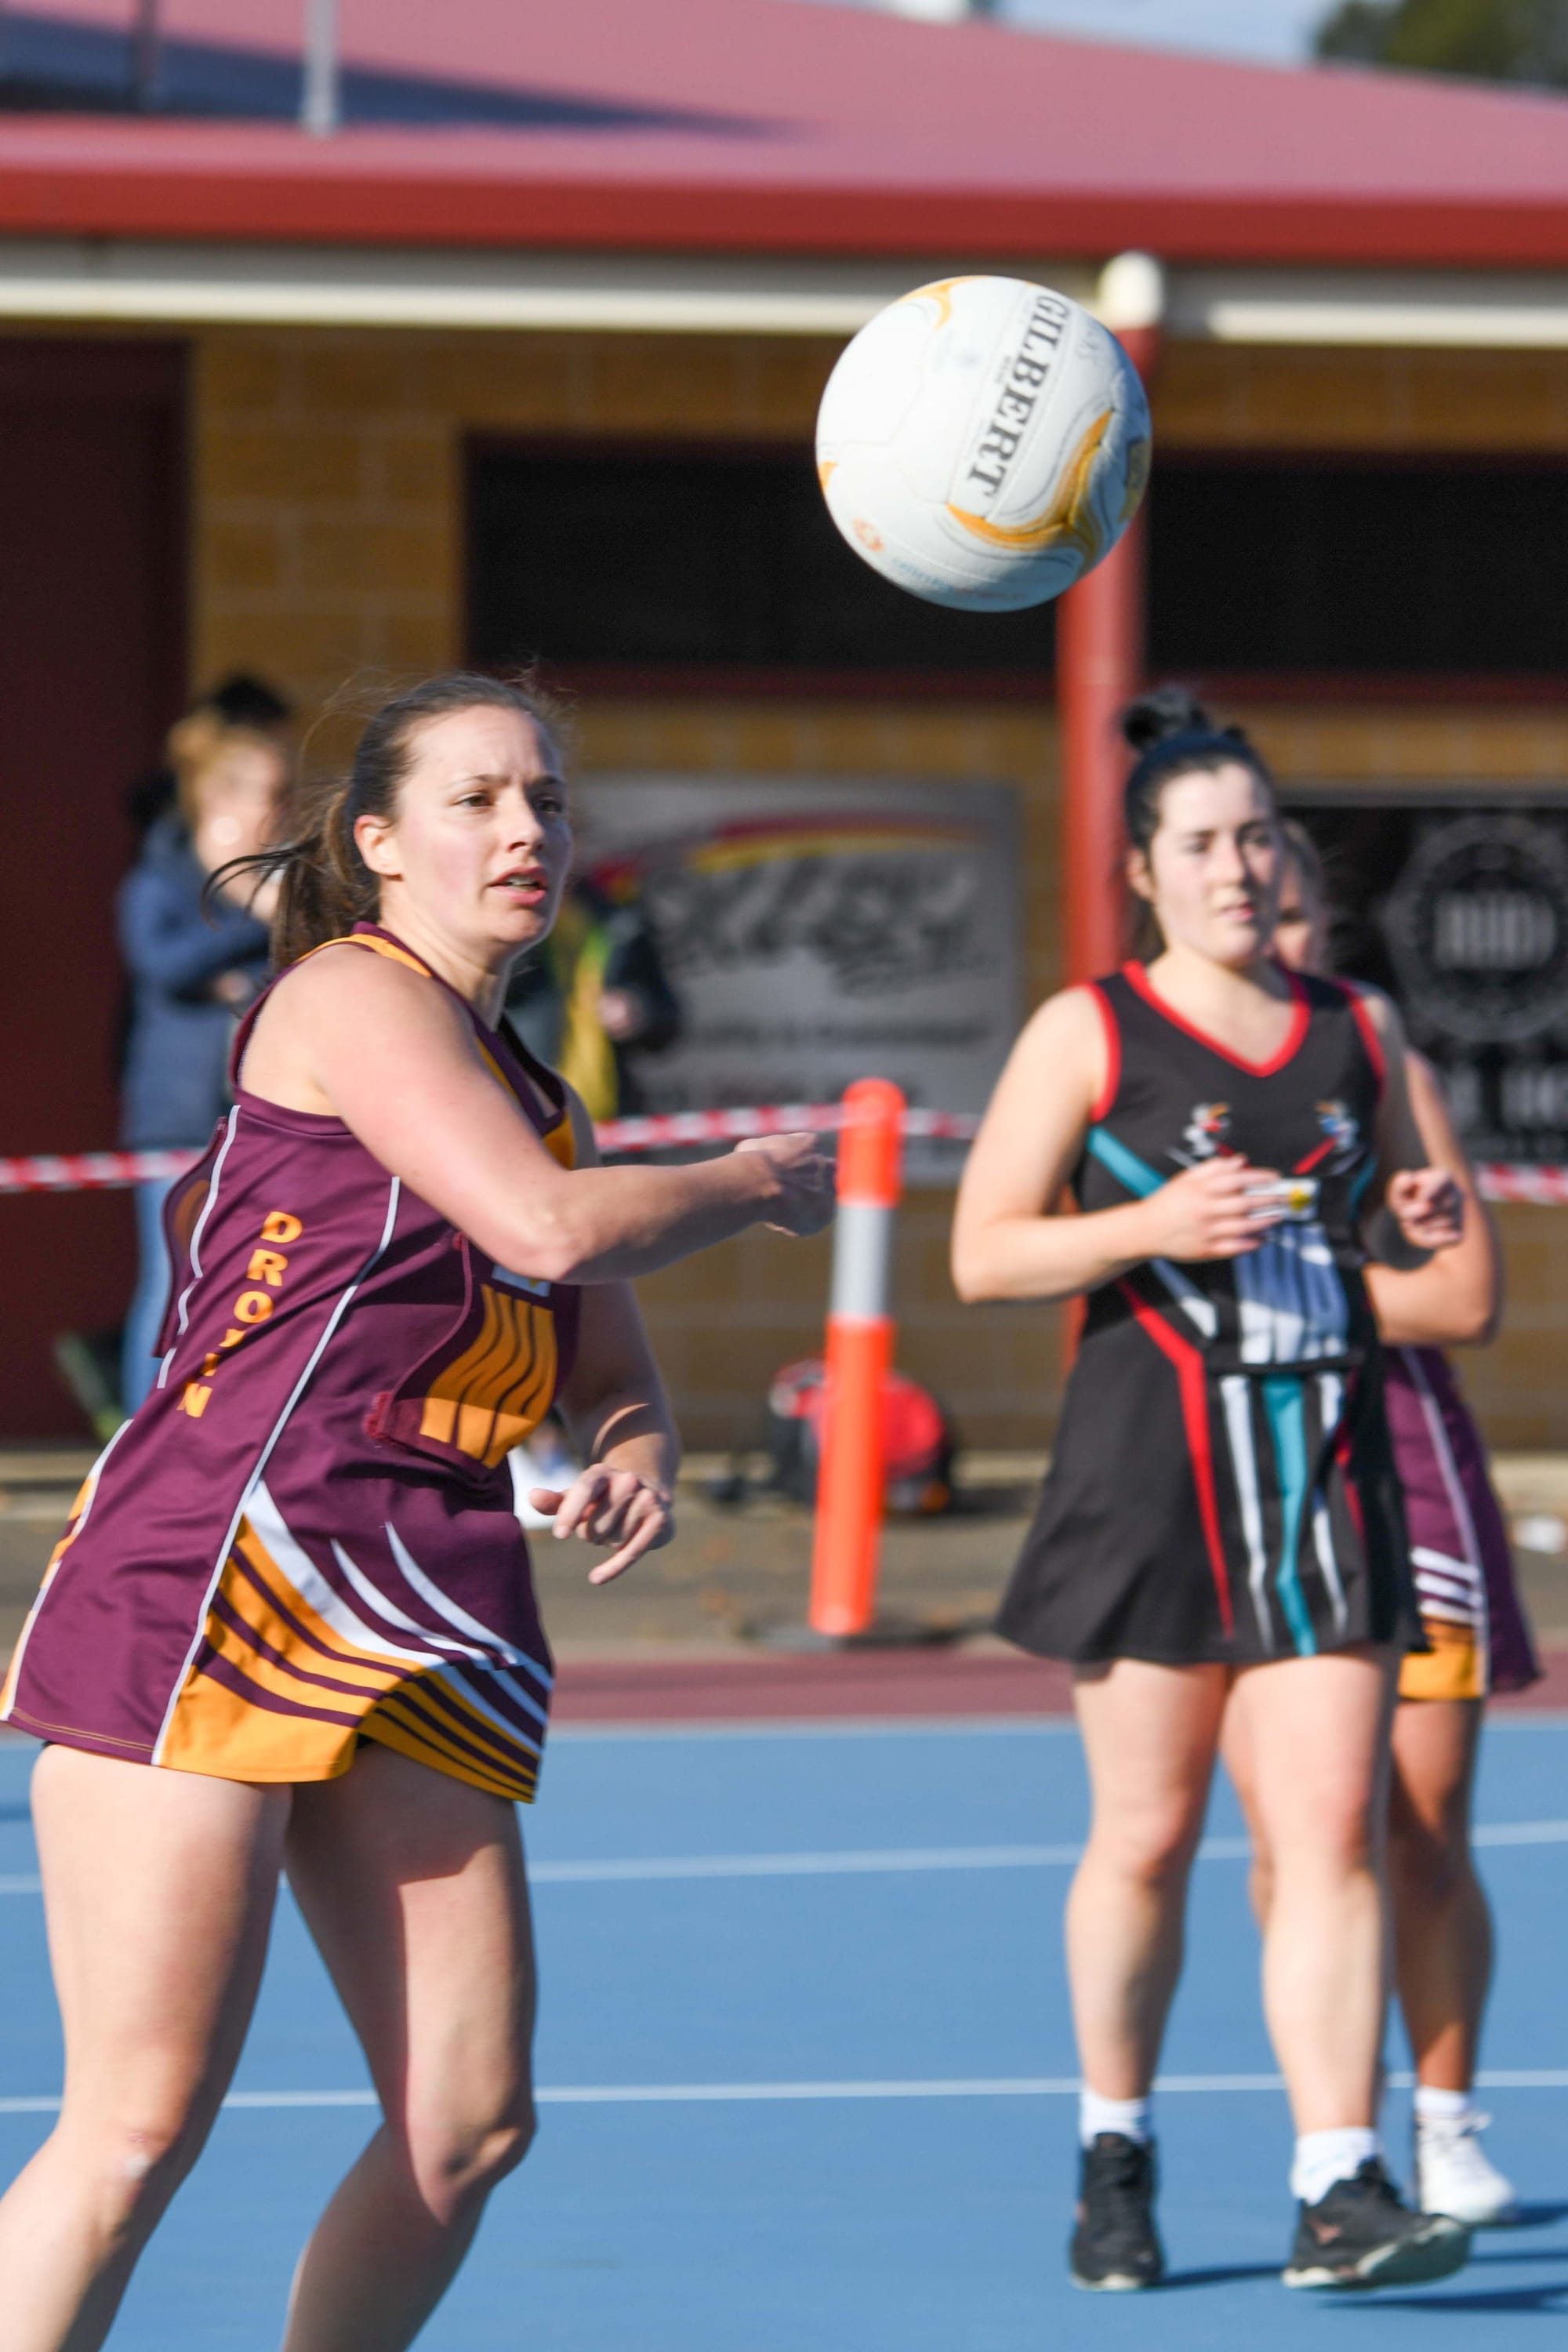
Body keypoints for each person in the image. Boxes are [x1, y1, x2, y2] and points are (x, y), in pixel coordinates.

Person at [0, 670, 833, 2352]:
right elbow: (545, 1230)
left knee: (467, 2125)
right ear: (376, 843)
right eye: (478, 799)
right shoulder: (347, 997)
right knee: (138, 2125)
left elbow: (602, 1350)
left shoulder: (538, 1090)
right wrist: (749, 1181)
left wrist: (638, 1444)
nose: (527, 829)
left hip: (423, 1591)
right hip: (226, 1561)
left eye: (547, 801)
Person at [951, 686, 1469, 2294]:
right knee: (1149, 1838)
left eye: (1256, 836)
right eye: (1200, 842)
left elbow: (1449, 1274)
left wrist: (1420, 1220)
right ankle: (1115, 2145)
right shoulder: (1087, 1031)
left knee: (1326, 1831)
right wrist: (1144, 1229)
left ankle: (1340, 2179)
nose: (1237, 866)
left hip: (1317, 1470)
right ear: (1142, 870)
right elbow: (982, 1253)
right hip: (1148, 1479)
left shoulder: (1359, 1033)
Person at [1224, 823, 1541, 2227]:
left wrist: (1276, 1276)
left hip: (1401, 1465)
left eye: (1295, 912)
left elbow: (1464, 1297)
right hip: (1234, 1480)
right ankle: (1331, 2135)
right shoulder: (1156, 1082)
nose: (1273, 935)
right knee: (1297, 1843)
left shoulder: (1380, 1062)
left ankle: (1449, 2119)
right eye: (1249, 907)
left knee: (1420, 1829)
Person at [117, 679, 292, 1412]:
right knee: (171, 1281)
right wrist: (253, 922)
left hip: (260, 1119)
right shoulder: (159, 874)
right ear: (220, 801)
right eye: (268, 795)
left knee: (255, 1281)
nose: (282, 811)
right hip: (178, 1117)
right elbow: (161, 965)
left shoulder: (285, 883)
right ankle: (136, 1436)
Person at [505, 868, 681, 1123]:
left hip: (610, 1122)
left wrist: (640, 1011)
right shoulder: (504, 921)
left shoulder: (619, 917)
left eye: (562, 828)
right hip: (532, 1123)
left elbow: (669, 1017)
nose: (538, 842)